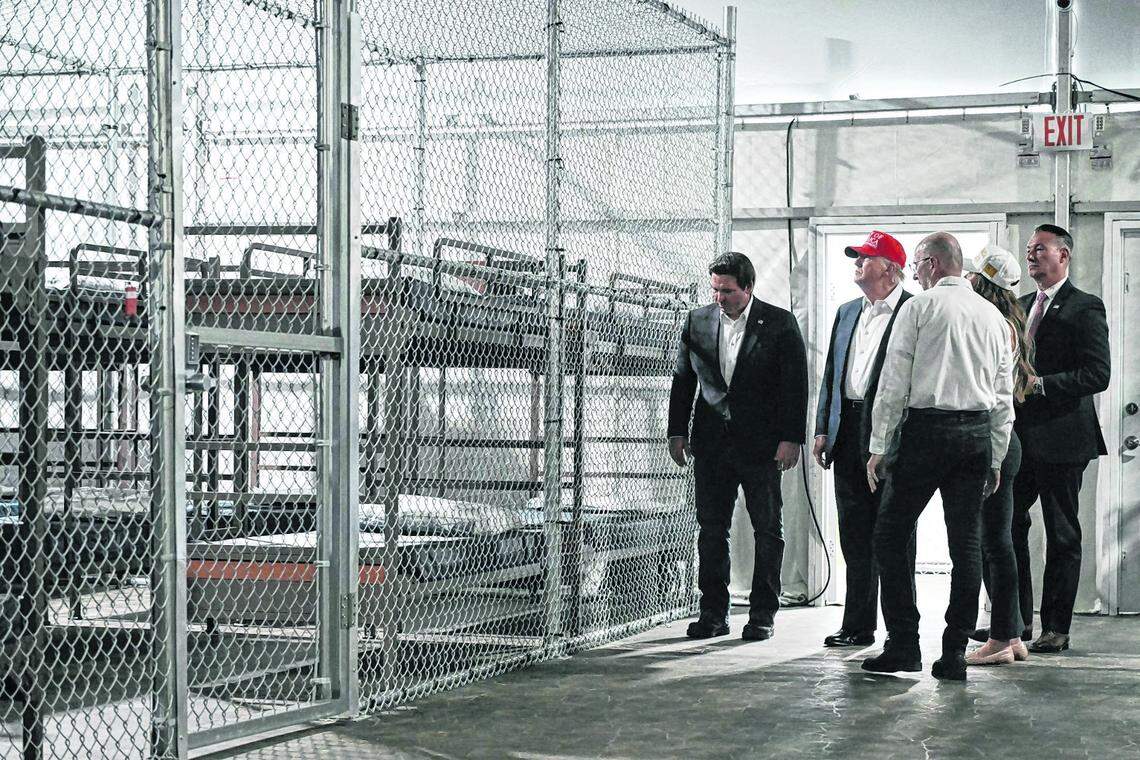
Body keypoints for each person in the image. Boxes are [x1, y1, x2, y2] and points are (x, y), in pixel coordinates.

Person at [861, 232, 1014, 681]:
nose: (912, 272)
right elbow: (1003, 398)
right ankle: (952, 653)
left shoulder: (919, 308)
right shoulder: (993, 317)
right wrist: (996, 458)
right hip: (976, 435)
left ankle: (904, 644)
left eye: (916, 264)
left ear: (930, 263)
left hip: (926, 432)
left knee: (889, 535)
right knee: (966, 545)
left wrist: (879, 446)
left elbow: (894, 383)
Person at [668, 251, 808, 641]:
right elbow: (684, 381)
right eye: (714, 289)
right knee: (712, 528)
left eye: (727, 291)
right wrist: (676, 431)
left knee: (767, 528)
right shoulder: (696, 321)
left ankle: (763, 614)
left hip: (762, 444)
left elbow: (795, 386)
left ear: (748, 287)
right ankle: (713, 613)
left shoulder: (779, 323)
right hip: (711, 443)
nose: (719, 298)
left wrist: (790, 438)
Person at [1007, 224, 1110, 654]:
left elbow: (1097, 374)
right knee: (1006, 524)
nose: (1031, 256)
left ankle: (1056, 628)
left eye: (1040, 250)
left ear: (1063, 256)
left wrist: (1044, 384)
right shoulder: (1023, 304)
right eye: (1029, 250)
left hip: (1064, 439)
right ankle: (1013, 624)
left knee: (1062, 534)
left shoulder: (1085, 307)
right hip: (1020, 438)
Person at [813, 231, 914, 648]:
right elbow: (832, 374)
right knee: (854, 531)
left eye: (866, 257)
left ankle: (900, 632)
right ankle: (857, 625)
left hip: (891, 433)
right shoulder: (846, 311)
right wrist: (823, 427)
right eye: (856, 256)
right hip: (848, 428)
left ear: (890, 269)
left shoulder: (914, 310)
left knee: (894, 534)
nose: (857, 262)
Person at [962, 245, 1035, 666]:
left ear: (981, 282)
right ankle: (1013, 633)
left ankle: (1003, 638)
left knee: (994, 543)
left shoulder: (991, 324)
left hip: (996, 442)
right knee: (1000, 541)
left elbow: (996, 399)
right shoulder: (1011, 321)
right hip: (1006, 443)